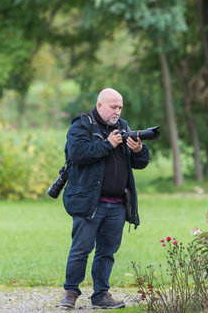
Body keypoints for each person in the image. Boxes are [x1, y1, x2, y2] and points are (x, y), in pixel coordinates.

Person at [60, 88, 151, 309]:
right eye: (113, 106)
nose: (117, 111)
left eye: (120, 107)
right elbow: (77, 153)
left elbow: (140, 163)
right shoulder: (82, 125)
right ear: (100, 105)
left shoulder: (124, 127)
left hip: (117, 204)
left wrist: (139, 150)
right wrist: (107, 144)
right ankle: (71, 291)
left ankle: (101, 295)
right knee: (81, 248)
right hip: (89, 202)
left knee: (107, 252)